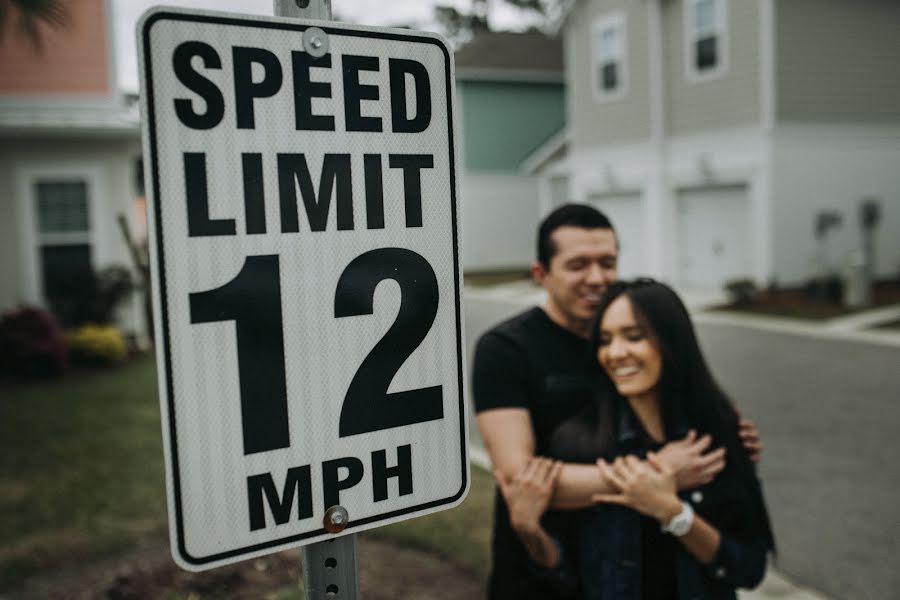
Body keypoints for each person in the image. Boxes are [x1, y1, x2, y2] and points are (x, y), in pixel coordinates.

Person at [473, 204, 762, 599]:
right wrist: (656, 473)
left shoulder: (628, 333)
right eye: (578, 265)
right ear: (541, 274)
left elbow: (746, 560)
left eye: (607, 262)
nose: (597, 278)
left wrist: (728, 436)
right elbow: (519, 477)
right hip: (538, 567)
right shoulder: (506, 349)